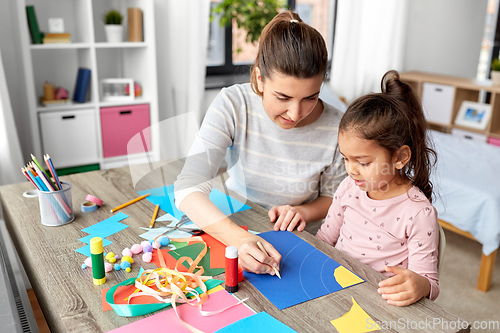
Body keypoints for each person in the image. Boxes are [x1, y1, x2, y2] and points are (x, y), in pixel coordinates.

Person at [174, 11, 345, 275]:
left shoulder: (338, 126)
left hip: (299, 241)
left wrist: (303, 211)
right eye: (283, 96)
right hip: (232, 226)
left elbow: (334, 198)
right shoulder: (233, 103)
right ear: (259, 78)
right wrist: (239, 239)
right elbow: (188, 188)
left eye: (310, 97)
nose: (295, 114)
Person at [314, 70, 440, 306]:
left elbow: (430, 284)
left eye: (363, 162)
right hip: (334, 287)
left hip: (380, 301)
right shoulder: (348, 188)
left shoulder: (418, 213)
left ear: (400, 157)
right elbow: (324, 240)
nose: (352, 170)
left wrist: (419, 285)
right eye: (345, 159)